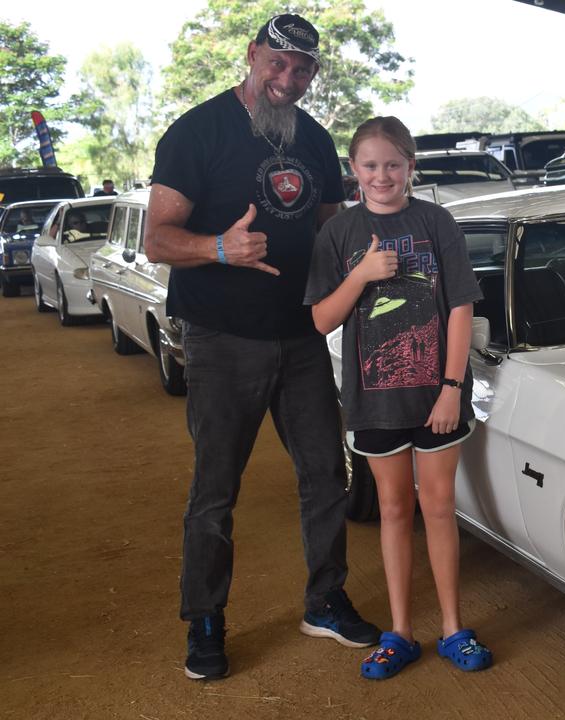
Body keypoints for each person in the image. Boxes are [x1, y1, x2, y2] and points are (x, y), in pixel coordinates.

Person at [143, 13, 380, 681]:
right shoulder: (199, 131)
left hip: (301, 335)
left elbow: (333, 234)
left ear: (311, 74)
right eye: (276, 63)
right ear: (253, 57)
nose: (287, 78)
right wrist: (219, 247)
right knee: (215, 492)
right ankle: (206, 620)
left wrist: (371, 260)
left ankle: (325, 599)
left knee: (326, 478)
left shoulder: (314, 140)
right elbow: (157, 239)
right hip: (221, 340)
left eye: (301, 69)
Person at [306, 116, 492, 679]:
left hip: (435, 397)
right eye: (370, 165)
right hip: (375, 401)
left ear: (410, 166)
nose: (381, 175)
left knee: (438, 508)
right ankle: (401, 632)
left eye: (392, 164)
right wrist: (361, 274)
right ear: (353, 171)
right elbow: (321, 320)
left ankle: (454, 628)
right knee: (393, 510)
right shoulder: (338, 234)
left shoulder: (436, 223)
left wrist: (451, 389)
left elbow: (462, 307)